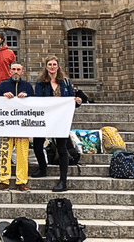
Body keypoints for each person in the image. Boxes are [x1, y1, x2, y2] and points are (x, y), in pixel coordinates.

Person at [32, 56, 82, 192]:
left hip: (61, 119)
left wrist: (77, 102)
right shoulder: (41, 82)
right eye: (50, 64)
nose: (52, 67)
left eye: (54, 64)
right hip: (45, 118)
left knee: (62, 148)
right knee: (37, 144)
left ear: (58, 67)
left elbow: (71, 100)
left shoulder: (65, 82)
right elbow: (38, 100)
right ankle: (43, 168)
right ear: (46, 67)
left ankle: (63, 180)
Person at [0, 63, 34, 192]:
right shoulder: (3, 85)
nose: (16, 72)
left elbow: (36, 103)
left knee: (22, 154)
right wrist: (3, 97)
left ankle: (22, 181)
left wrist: (27, 97)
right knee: (5, 153)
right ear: (10, 71)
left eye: (18, 69)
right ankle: (3, 181)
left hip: (23, 126)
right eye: (14, 69)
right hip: (6, 126)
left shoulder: (27, 86)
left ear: (22, 71)